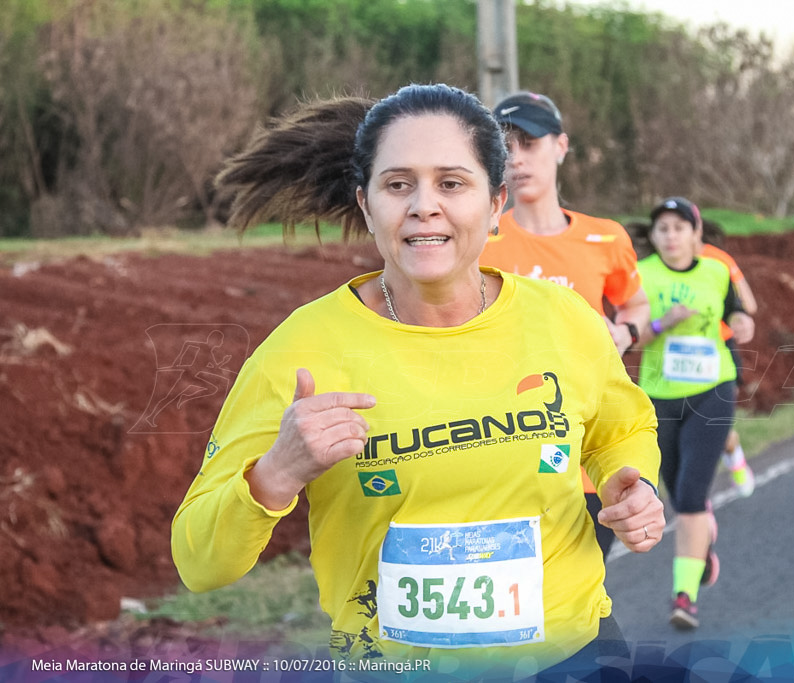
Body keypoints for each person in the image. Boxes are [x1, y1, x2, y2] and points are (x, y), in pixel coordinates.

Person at [170, 84, 666, 680]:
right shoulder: (301, 352)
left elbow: (622, 427)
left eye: (452, 184)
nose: (423, 206)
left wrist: (627, 484)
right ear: (365, 203)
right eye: (398, 184)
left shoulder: (563, 321)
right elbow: (199, 563)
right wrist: (276, 473)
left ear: (495, 204)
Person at [481, 91, 651, 558]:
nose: (517, 159)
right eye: (505, 147)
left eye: (530, 143)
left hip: (585, 455)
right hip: (502, 451)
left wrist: (626, 333)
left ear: (560, 146)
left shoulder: (605, 237)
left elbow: (636, 305)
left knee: (574, 602)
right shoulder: (480, 241)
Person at [633, 196, 754, 629]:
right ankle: (703, 540)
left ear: (696, 233)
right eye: (662, 229)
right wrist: (665, 322)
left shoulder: (717, 271)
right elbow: (630, 339)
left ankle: (683, 597)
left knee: (687, 497)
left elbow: (738, 316)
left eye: (679, 227)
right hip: (658, 395)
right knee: (681, 493)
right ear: (653, 236)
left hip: (712, 389)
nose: (670, 236)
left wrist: (743, 325)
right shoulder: (640, 276)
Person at [699, 220, 756, 497]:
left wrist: (736, 316)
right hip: (668, 360)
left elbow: (749, 304)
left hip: (718, 349)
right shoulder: (655, 265)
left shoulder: (718, 259)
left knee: (718, 422)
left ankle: (734, 454)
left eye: (681, 226)